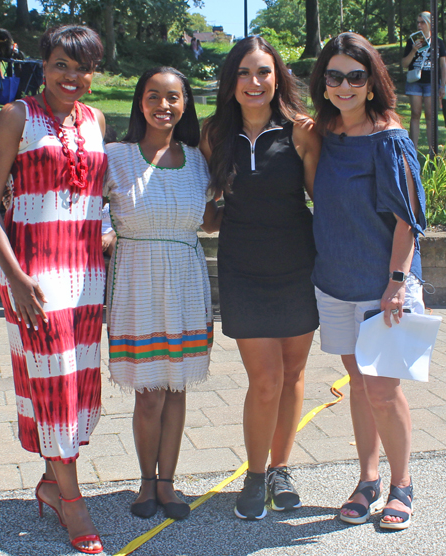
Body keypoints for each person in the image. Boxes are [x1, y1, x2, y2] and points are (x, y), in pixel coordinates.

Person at [0, 25, 107, 554]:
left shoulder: (96, 120)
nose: (71, 77)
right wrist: (14, 276)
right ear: (44, 65)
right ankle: (73, 501)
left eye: (82, 67)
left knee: (76, 386)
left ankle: (52, 486)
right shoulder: (17, 117)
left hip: (87, 274)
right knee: (53, 384)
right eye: (61, 65)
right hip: (34, 275)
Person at [200, 35, 320, 521]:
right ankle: (254, 473)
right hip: (243, 268)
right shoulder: (212, 135)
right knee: (265, 378)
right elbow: (205, 208)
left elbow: (324, 200)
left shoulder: (301, 131)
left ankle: (281, 469)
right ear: (231, 81)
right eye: (245, 73)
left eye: (264, 72)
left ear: (278, 78)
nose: (255, 82)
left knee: (292, 375)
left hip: (297, 265)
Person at [310, 32, 427, 530]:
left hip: (384, 286)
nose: (344, 85)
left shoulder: (390, 138)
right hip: (334, 283)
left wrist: (397, 283)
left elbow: (409, 220)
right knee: (358, 384)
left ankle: (402, 485)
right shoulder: (324, 132)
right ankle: (368, 478)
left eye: (355, 76)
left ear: (372, 82)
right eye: (334, 76)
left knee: (382, 390)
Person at [104, 67, 219, 520]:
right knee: (148, 393)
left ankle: (168, 482)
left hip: (186, 280)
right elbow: (91, 207)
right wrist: (103, 234)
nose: (163, 105)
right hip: (135, 280)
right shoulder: (116, 155)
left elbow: (210, 220)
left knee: (175, 389)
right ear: (140, 102)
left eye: (173, 98)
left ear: (185, 104)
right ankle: (145, 483)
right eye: (153, 96)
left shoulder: (198, 159)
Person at [402, 11, 446, 150]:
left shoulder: (438, 42)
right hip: (415, 82)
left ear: (430, 24)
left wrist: (442, 85)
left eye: (422, 22)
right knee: (415, 114)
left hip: (431, 83)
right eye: (418, 22)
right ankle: (413, 150)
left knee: (430, 116)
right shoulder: (412, 41)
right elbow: (404, 64)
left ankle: (432, 150)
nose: (419, 25)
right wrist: (414, 50)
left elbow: (443, 65)